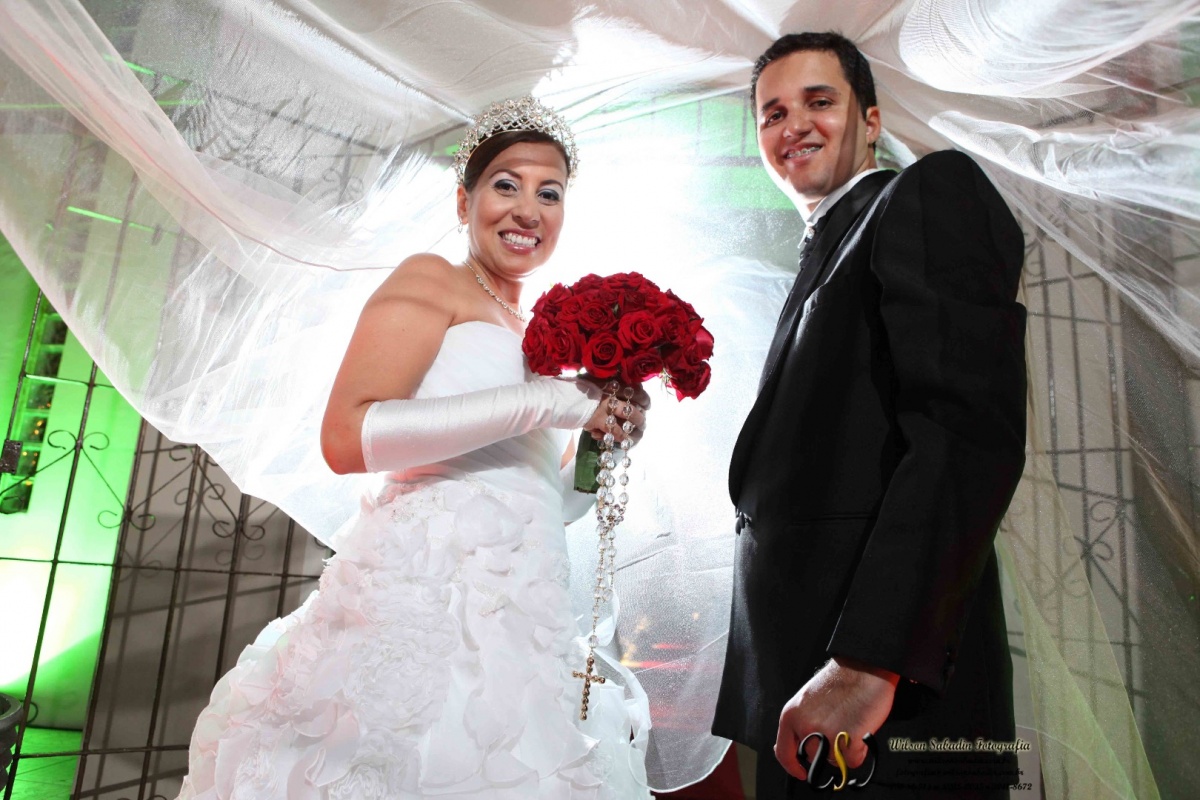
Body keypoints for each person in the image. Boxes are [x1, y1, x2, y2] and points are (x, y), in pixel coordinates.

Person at [174, 97, 654, 799]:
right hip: (425, 593)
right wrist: (553, 399)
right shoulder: (430, 279)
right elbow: (348, 436)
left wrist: (598, 440)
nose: (528, 209)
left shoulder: (543, 333)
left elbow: (545, 501)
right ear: (464, 203)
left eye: (549, 193)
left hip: (528, 610)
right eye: (506, 185)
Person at [713, 32, 1028, 799]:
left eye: (820, 101)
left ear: (873, 120)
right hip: (804, 695)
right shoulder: (826, 247)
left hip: (887, 699)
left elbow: (964, 431)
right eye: (772, 113)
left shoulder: (927, 194)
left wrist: (869, 660)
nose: (794, 126)